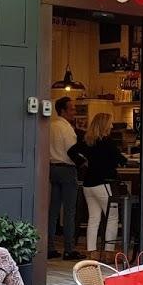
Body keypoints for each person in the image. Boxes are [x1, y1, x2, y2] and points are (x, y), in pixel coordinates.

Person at [76, 112, 126, 254]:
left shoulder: (88, 141)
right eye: (110, 122)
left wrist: (83, 163)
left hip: (88, 185)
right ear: (104, 125)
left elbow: (71, 151)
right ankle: (109, 252)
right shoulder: (108, 142)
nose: (111, 125)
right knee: (112, 217)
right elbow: (121, 160)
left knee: (93, 219)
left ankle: (91, 252)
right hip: (103, 184)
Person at [48, 96, 84, 260]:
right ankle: (69, 248)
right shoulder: (66, 128)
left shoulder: (51, 126)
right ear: (63, 110)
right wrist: (84, 162)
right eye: (72, 109)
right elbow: (72, 151)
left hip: (52, 167)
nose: (74, 112)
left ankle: (49, 246)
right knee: (69, 211)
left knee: (53, 210)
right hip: (67, 168)